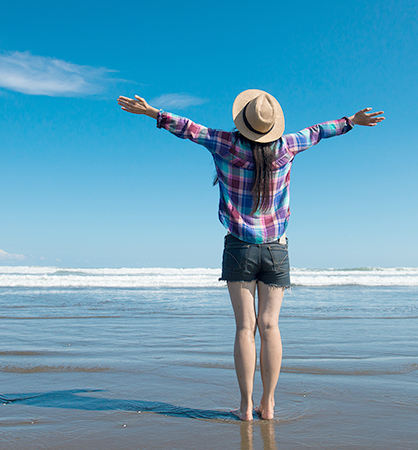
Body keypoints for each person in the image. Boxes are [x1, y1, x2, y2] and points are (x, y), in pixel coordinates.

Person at [117, 90, 384, 421]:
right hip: (276, 248)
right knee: (270, 326)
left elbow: (188, 128)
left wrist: (151, 112)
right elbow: (317, 131)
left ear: (243, 121)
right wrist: (350, 122)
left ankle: (245, 407)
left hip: (239, 246)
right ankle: (268, 405)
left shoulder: (225, 144)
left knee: (246, 328)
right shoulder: (286, 146)